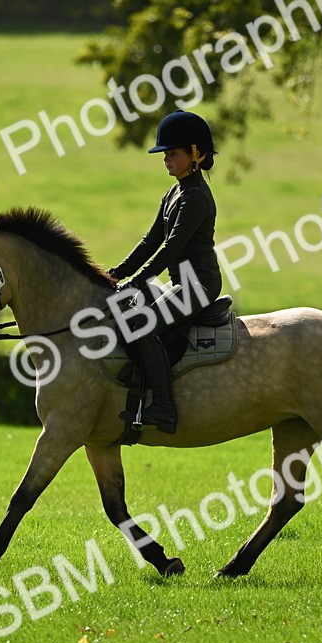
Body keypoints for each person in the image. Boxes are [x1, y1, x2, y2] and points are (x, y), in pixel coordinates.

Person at [107, 110, 223, 434]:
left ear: (195, 154)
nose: (166, 160)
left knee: (142, 328)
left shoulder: (196, 197)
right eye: (165, 154)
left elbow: (171, 249)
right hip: (181, 282)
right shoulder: (174, 193)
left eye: (173, 153)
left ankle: (164, 408)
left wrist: (137, 281)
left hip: (199, 285)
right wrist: (116, 274)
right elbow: (150, 241)